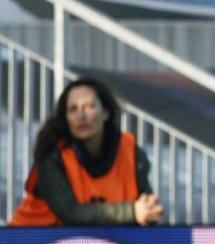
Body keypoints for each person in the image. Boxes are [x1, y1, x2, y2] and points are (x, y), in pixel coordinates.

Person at [9, 77, 163, 226]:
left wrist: (149, 212)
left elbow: (146, 206)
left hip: (95, 242)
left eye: (89, 106)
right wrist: (131, 212)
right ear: (66, 118)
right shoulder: (52, 153)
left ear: (106, 112)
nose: (81, 116)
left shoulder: (130, 150)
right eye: (73, 109)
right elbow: (70, 212)